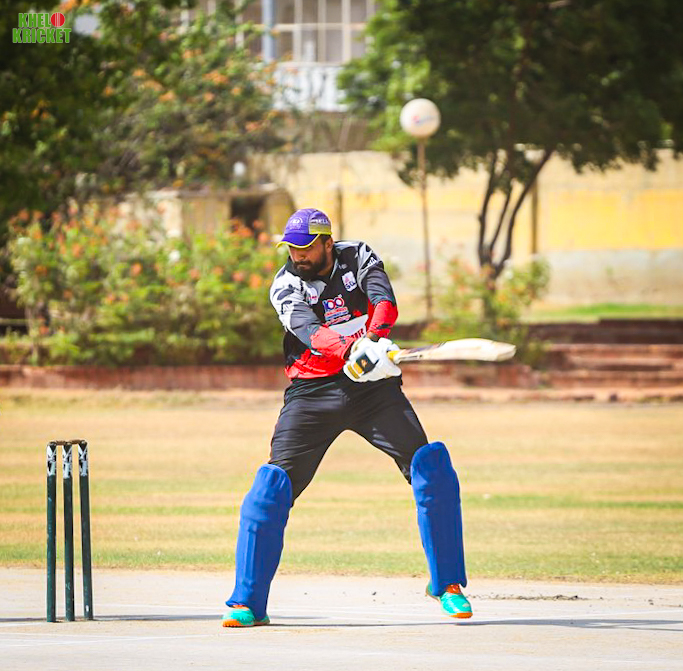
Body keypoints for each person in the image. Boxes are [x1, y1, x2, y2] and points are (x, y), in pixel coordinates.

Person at [222, 208, 471, 627]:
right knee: (271, 486)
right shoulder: (285, 285)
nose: (298, 256)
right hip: (312, 393)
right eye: (291, 249)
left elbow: (384, 301)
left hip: (373, 390)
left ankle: (447, 585)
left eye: (305, 247)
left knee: (432, 466)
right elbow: (309, 331)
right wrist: (350, 350)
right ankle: (248, 602)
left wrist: (374, 341)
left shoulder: (358, 255)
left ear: (326, 242)